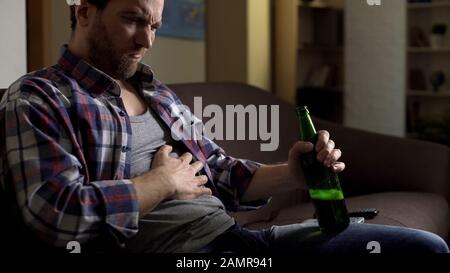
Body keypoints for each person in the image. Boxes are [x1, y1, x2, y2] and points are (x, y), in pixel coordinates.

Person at [0, 0, 448, 254]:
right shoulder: (39, 98)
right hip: (191, 255)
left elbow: (222, 170)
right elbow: (55, 214)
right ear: (83, 11)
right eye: (133, 18)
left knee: (423, 248)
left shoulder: (155, 92)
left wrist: (292, 171)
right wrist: (159, 183)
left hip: (239, 236)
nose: (147, 40)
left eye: (154, 24)